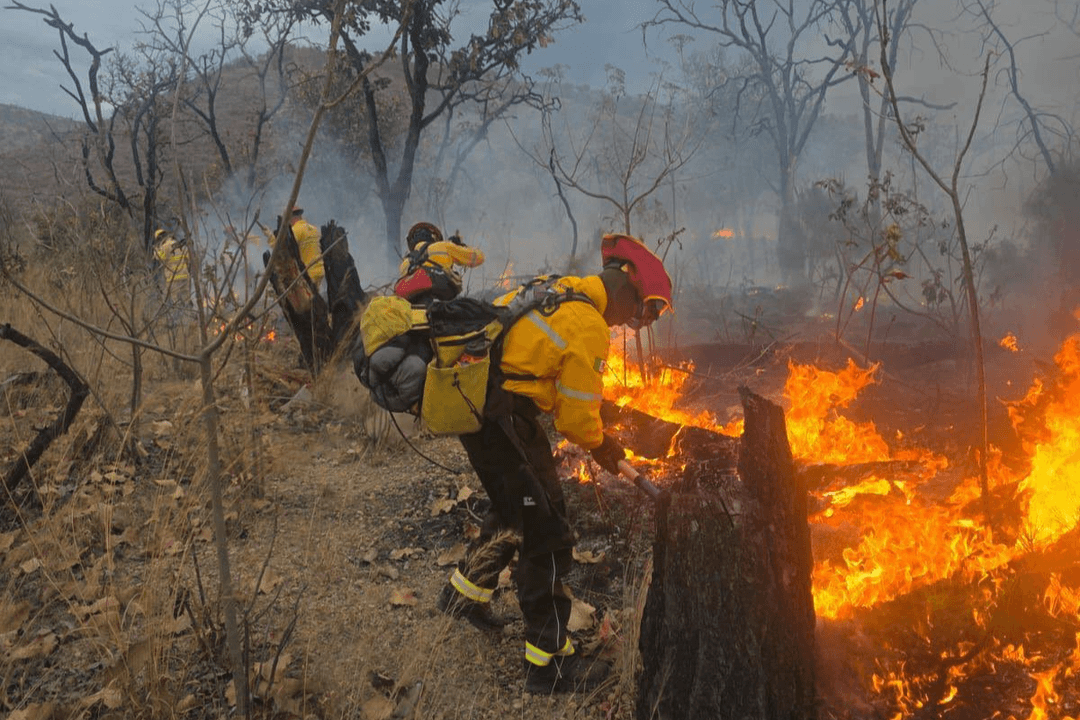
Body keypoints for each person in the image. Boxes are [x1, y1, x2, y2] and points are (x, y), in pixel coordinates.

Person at [436, 233, 673, 694]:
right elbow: (576, 420)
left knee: (515, 507)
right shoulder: (589, 325)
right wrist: (605, 448)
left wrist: (597, 433)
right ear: (628, 290)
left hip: (495, 413)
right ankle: (548, 663)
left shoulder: (557, 289)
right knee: (547, 530)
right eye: (646, 311)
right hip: (503, 419)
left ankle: (463, 596)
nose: (641, 324)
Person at [394, 221, 484, 305]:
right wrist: (459, 246)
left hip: (415, 304)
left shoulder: (405, 262)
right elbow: (478, 258)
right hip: (441, 293)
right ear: (433, 237)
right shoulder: (443, 246)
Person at [153, 228, 192, 314]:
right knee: (186, 299)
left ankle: (179, 320)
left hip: (173, 278)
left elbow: (159, 257)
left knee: (176, 302)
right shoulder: (179, 245)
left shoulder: (165, 246)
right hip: (185, 276)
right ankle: (190, 318)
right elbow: (189, 259)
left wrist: (156, 249)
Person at [288, 206, 325, 293]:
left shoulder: (295, 231)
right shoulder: (314, 229)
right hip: (321, 271)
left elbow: (285, 250)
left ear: (291, 218)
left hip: (309, 274)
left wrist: (270, 237)